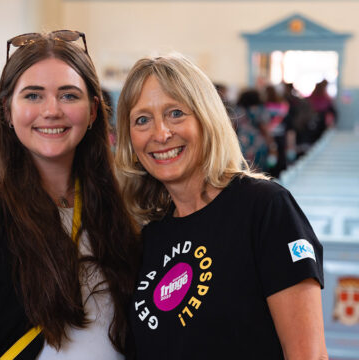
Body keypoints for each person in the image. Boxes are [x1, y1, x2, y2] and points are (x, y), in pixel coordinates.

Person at [0, 31, 140, 359]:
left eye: (69, 95)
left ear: (94, 110)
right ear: (7, 110)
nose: (52, 110)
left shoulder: (120, 203)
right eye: (33, 96)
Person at [115, 54, 326, 359]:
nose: (160, 134)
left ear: (206, 118)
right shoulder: (150, 235)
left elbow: (309, 355)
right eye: (142, 120)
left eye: (176, 113)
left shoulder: (265, 208)